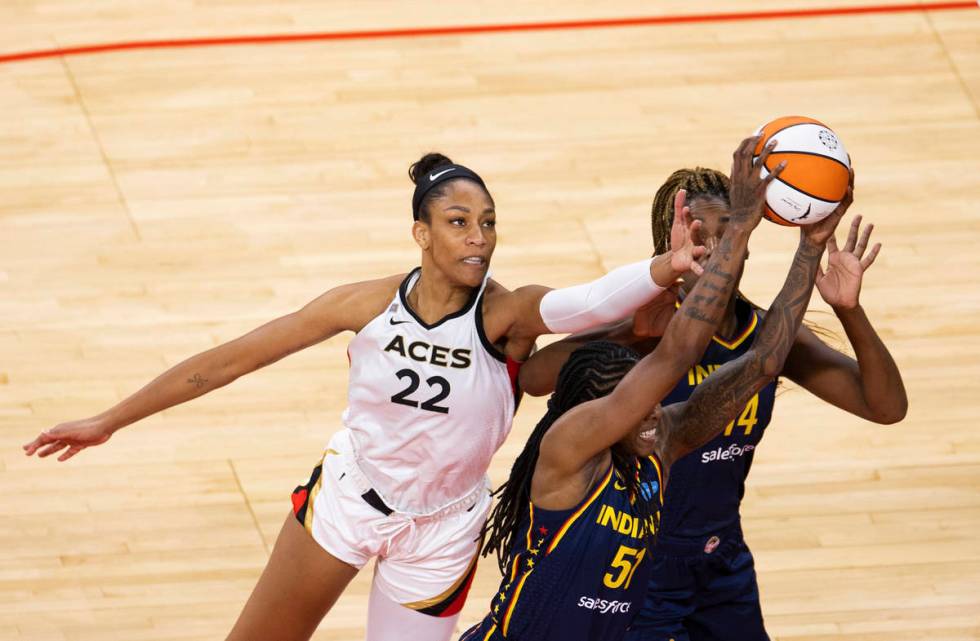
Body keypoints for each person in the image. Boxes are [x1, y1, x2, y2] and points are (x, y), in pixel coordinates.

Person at [22, 151, 710, 641]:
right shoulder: (364, 304)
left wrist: (666, 266)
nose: (479, 238)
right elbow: (225, 364)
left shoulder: (505, 315)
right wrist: (108, 419)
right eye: (459, 222)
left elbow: (585, 301)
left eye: (489, 222)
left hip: (441, 530)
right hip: (353, 499)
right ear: (422, 233)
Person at [461, 136, 844, 641]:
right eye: (640, 404)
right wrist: (739, 231)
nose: (654, 413)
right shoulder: (568, 450)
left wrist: (810, 250)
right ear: (598, 412)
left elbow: (763, 363)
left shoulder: (661, 448)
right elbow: (675, 355)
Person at [518, 164, 906, 641]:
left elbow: (885, 406)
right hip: (637, 563)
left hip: (721, 562)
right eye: (703, 236)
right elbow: (534, 377)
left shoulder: (767, 335)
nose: (719, 250)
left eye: (731, 235)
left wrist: (849, 311)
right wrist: (631, 334)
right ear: (672, 242)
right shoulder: (650, 327)